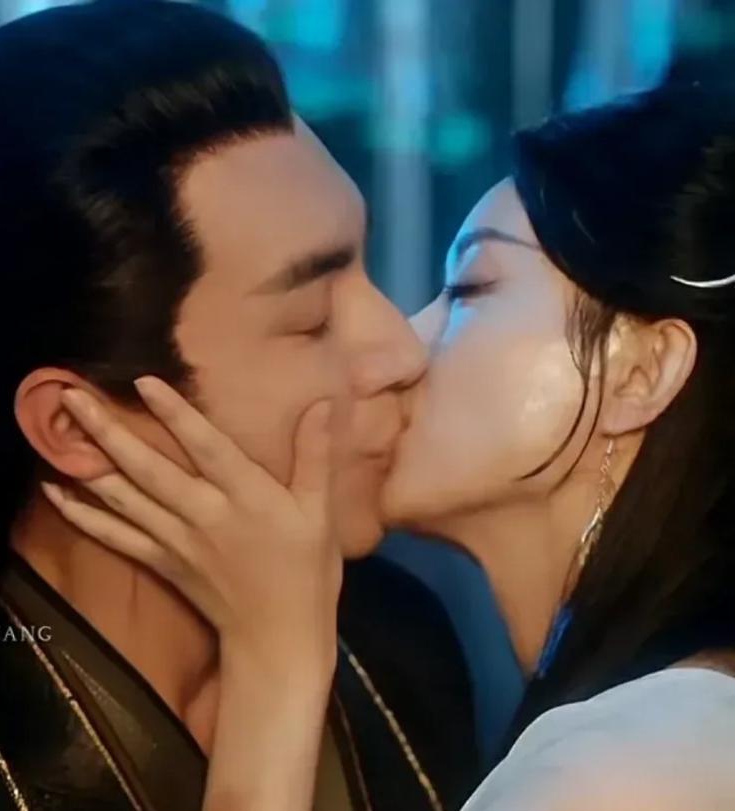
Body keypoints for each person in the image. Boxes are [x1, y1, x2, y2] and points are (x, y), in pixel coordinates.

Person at [53, 82, 735, 810]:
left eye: (469, 288)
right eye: (310, 317)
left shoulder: (623, 775)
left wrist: (275, 665)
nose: (404, 346)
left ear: (640, 372)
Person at [0, 3, 478, 810]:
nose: (402, 351)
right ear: (75, 425)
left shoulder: (395, 643)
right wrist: (276, 682)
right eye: (311, 320)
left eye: (366, 272)